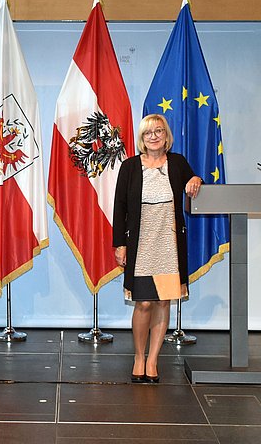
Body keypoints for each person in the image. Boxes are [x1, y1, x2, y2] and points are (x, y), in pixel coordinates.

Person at [112, 114, 202, 384]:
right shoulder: (129, 167)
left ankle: (152, 361)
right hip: (141, 243)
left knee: (163, 301)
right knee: (144, 302)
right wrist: (120, 244)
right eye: (149, 132)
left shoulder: (177, 163)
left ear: (166, 136)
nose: (154, 136)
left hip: (169, 243)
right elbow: (119, 209)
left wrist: (196, 179)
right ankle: (139, 357)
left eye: (159, 131)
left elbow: (193, 181)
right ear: (142, 137)